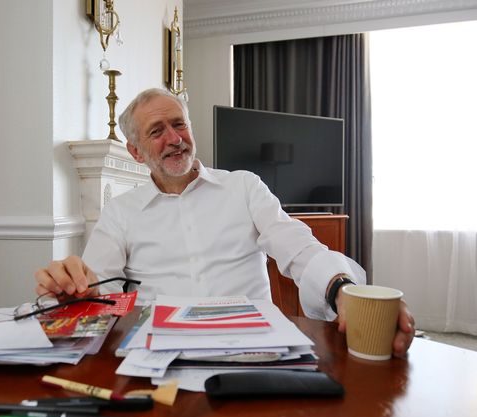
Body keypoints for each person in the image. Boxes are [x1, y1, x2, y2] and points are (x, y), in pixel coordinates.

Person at [34, 87, 415, 358]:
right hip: (157, 351)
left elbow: (297, 246)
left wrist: (342, 290)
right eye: (156, 131)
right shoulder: (120, 212)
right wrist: (74, 290)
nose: (174, 138)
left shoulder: (244, 187)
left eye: (179, 124)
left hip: (253, 346)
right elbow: (98, 287)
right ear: (135, 151)